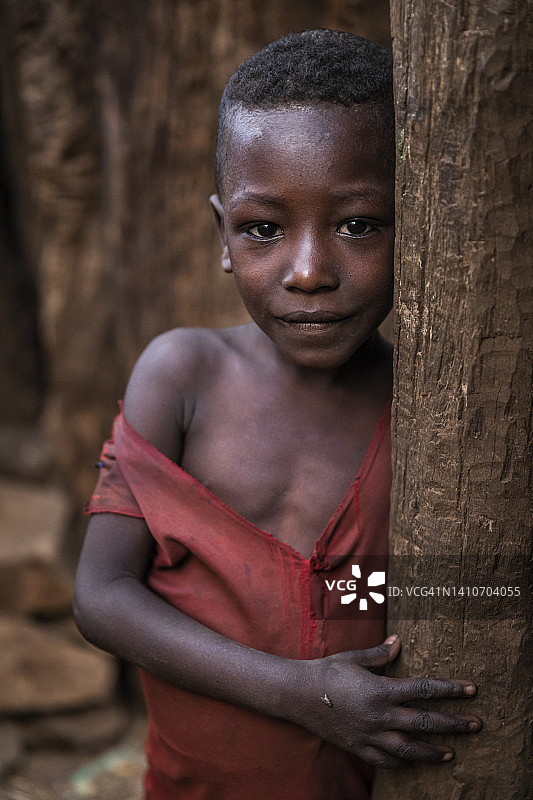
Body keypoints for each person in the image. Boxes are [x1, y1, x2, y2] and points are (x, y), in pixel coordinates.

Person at [74, 29, 481, 800]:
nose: (307, 273)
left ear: (418, 228)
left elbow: (454, 594)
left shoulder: (431, 416)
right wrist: (304, 692)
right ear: (223, 234)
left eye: (358, 224)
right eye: (264, 228)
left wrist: (353, 599)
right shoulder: (184, 375)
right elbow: (101, 597)